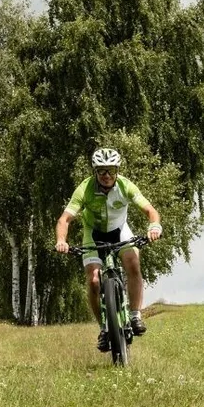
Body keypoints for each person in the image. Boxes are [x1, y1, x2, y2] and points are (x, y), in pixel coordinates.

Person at [54, 149, 162, 352]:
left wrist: (154, 226)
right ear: (95, 171)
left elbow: (150, 211)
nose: (106, 176)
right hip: (93, 234)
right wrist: (61, 240)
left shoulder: (125, 185)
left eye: (111, 170)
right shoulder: (84, 189)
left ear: (117, 170)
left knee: (133, 262)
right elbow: (64, 219)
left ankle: (135, 316)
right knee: (94, 280)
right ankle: (104, 328)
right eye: (101, 171)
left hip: (120, 231)